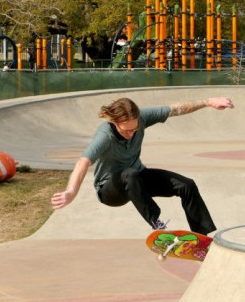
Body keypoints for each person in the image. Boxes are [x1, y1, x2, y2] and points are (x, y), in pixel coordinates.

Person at [51, 96, 234, 235]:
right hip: (110, 190)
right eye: (126, 130)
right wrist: (71, 192)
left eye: (135, 129)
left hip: (137, 178)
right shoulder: (104, 136)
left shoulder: (142, 118)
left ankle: (204, 237)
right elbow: (83, 163)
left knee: (187, 185)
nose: (131, 133)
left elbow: (176, 109)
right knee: (129, 174)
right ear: (115, 123)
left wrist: (208, 102)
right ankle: (157, 225)